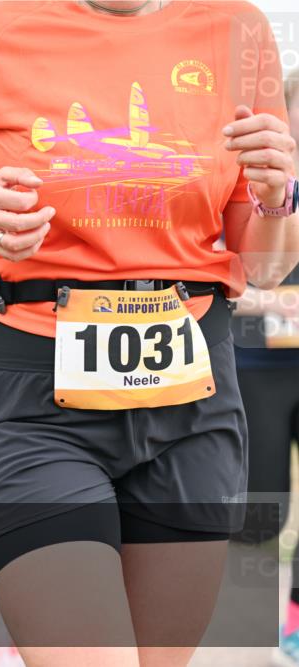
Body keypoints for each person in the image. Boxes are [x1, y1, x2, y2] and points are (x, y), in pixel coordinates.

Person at [0, 1, 297, 664]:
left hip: (190, 394)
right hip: (33, 394)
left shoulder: (238, 30)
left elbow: (266, 262)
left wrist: (279, 195)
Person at [229, 67, 299, 666]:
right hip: (257, 364)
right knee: (260, 514)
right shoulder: (253, 181)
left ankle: (295, 625)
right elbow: (227, 275)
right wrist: (267, 299)